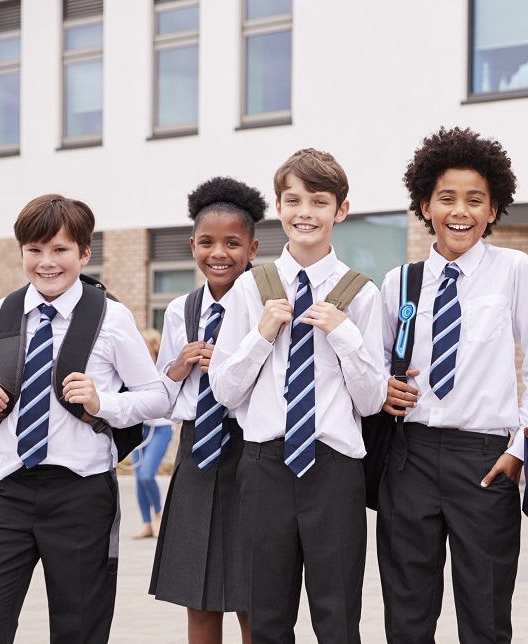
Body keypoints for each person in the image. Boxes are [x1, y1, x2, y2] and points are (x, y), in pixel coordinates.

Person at [379, 126, 528, 643]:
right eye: (447, 198)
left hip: (485, 460)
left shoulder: (513, 269)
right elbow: (372, 373)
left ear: (493, 209)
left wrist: (521, 449)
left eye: (475, 200)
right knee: (407, 616)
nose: (461, 211)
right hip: (409, 455)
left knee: (486, 614)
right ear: (425, 205)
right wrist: (383, 389)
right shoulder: (399, 282)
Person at [209, 148, 387, 644]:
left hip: (334, 468)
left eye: (319, 201)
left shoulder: (362, 294)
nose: (305, 212)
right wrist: (261, 335)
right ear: (279, 206)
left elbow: (372, 401)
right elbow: (224, 390)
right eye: (293, 200)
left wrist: (344, 334)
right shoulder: (251, 289)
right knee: (267, 617)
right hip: (265, 465)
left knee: (338, 615)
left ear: (341, 210)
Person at [0, 194, 169, 643]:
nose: (46, 262)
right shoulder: (0, 314)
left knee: (79, 630)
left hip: (81, 494)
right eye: (35, 250)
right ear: (22, 251)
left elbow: (159, 397)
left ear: (85, 253)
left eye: (60, 250)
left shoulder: (111, 317)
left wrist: (103, 402)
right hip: (7, 491)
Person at [149, 176, 265, 643]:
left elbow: (279, 388)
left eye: (233, 243)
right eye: (208, 242)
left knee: (252, 592)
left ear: (252, 248)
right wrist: (177, 368)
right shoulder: (180, 310)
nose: (219, 253)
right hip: (198, 452)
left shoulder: (267, 303)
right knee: (196, 591)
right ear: (192, 244)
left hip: (251, 451)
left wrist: (231, 364)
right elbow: (160, 400)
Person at [131, 328, 174, 539]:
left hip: (160, 429)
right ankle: (146, 523)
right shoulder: (133, 370)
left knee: (147, 474)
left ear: (155, 348)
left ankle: (159, 516)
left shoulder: (162, 372)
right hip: (140, 429)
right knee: (138, 478)